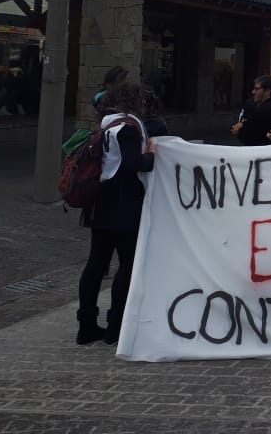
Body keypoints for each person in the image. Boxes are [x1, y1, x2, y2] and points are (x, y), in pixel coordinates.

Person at [77, 81, 156, 345]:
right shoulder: (129, 127)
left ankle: (86, 325)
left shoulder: (106, 124)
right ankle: (116, 326)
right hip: (124, 203)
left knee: (96, 263)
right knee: (127, 264)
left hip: (101, 201)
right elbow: (134, 164)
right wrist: (152, 155)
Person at [232, 75, 271, 146]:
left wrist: (240, 128)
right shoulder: (253, 105)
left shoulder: (264, 111)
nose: (253, 92)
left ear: (268, 91)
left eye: (257, 89)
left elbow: (246, 135)